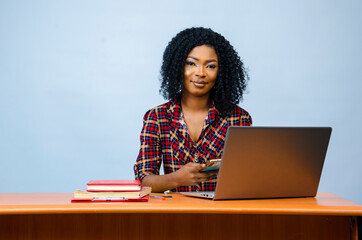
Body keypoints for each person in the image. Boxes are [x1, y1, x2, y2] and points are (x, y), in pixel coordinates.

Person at [134, 27, 252, 192]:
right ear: (177, 66)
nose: (201, 73)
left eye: (210, 66)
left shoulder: (238, 119)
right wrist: (177, 179)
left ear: (221, 72)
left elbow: (245, 177)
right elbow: (144, 181)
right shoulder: (157, 117)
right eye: (191, 63)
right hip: (176, 213)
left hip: (222, 213)